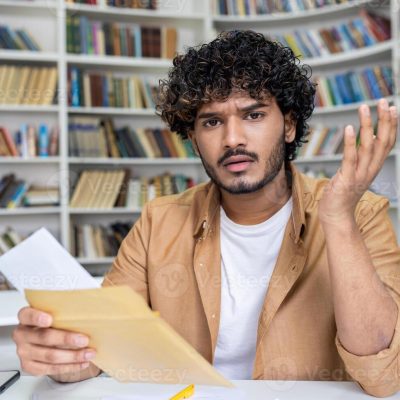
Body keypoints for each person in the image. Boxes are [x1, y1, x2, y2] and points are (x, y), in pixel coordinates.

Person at [13, 30, 400, 397]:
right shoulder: (158, 221)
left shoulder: (357, 214)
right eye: (212, 122)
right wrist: (60, 358)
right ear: (194, 138)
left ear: (288, 126)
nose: (232, 139)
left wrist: (338, 220)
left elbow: (383, 375)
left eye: (253, 115)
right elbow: (100, 349)